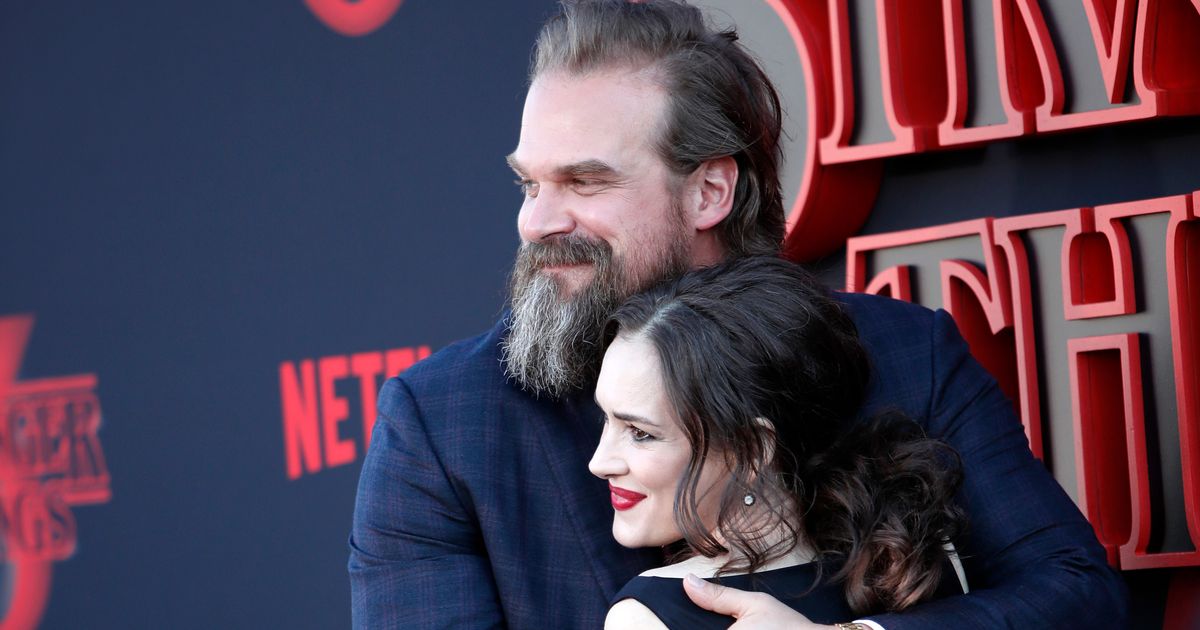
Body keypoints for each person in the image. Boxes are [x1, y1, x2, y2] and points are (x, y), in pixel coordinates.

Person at [348, 1, 1128, 628]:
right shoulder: (447, 422)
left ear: (710, 192)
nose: (537, 222)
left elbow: (1077, 595)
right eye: (529, 185)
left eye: (585, 183)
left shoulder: (902, 354)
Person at [592, 256, 969, 629]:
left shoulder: (645, 616)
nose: (599, 462)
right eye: (605, 420)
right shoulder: (913, 558)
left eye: (640, 433)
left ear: (752, 449)